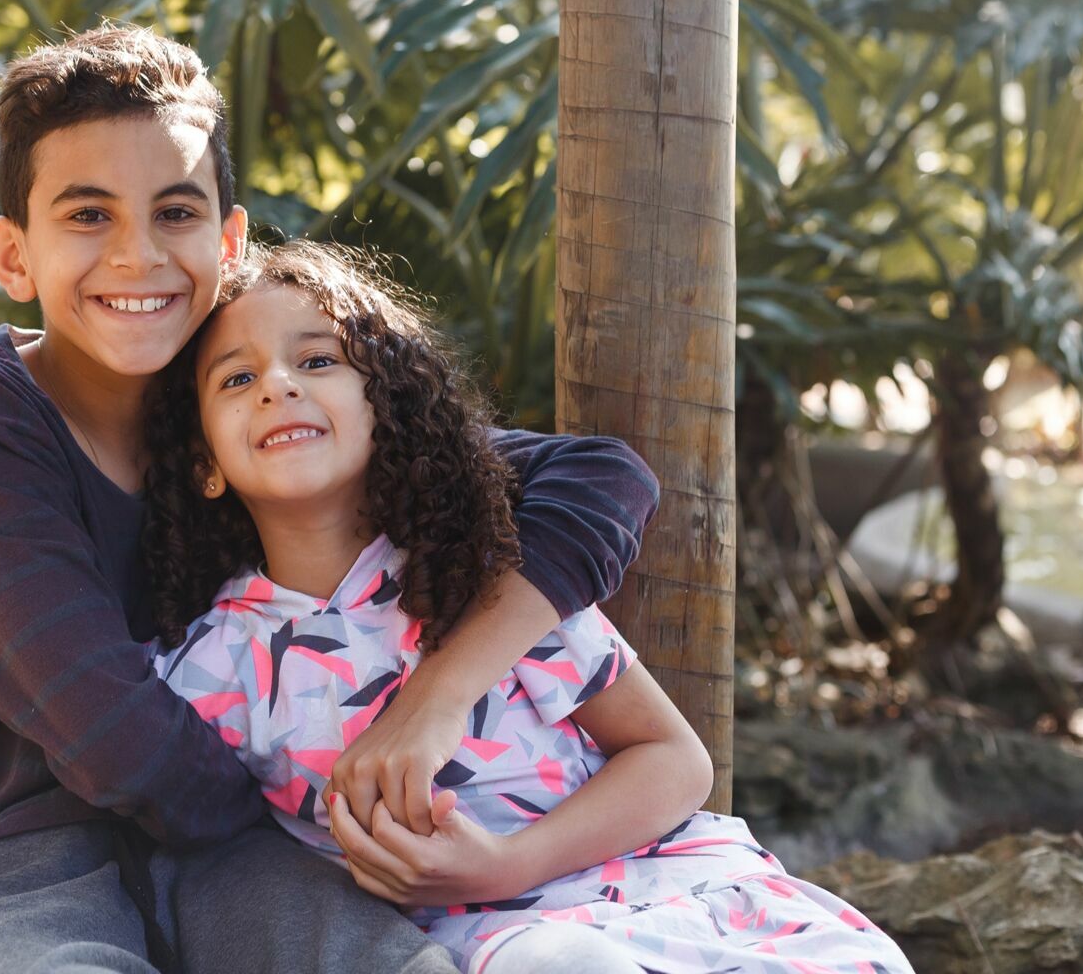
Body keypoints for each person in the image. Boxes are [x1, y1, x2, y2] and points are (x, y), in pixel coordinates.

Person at [0, 25, 663, 973]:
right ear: (14, 256)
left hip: (226, 849)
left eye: (175, 212)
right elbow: (115, 743)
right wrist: (326, 816)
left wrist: (433, 698)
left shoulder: (240, 402)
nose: (138, 256)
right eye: (88, 216)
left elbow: (599, 478)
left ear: (228, 242)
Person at [146, 240, 914, 974]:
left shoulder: (490, 582)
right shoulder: (206, 667)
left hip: (675, 885)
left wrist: (511, 862)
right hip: (503, 939)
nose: (279, 384)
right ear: (205, 462)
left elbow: (676, 761)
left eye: (318, 360)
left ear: (387, 406)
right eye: (236, 380)